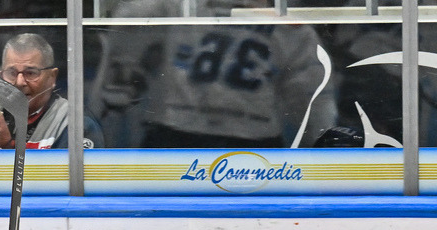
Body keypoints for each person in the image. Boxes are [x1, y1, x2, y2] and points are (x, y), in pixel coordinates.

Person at [100, 0, 337, 148]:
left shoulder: (292, 28)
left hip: (181, 133)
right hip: (236, 138)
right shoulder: (292, 28)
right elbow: (313, 102)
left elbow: (313, 100)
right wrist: (322, 147)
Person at [0, 32, 102, 149]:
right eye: (11, 73)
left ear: (52, 77)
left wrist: (4, 147)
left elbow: (65, 188)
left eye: (30, 73)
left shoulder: (75, 124)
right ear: (1, 76)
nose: (19, 82)